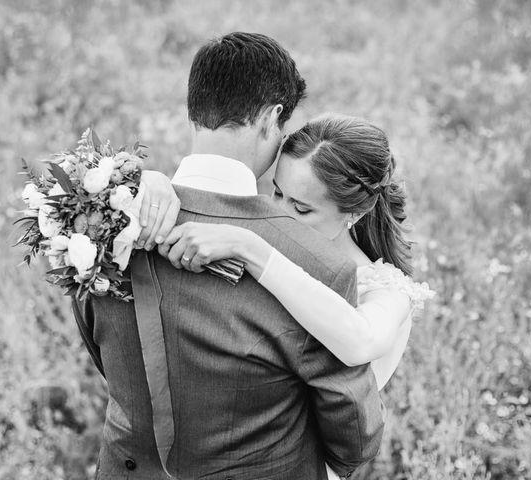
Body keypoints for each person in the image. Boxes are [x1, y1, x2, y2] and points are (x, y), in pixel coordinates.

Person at [73, 32, 385, 480]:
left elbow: (104, 352)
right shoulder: (317, 264)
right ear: (272, 118)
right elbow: (353, 440)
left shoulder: (100, 221)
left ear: (195, 108)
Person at [142, 114, 434, 392]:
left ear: (355, 213)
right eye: (277, 194)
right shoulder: (256, 237)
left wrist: (251, 249)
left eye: (301, 208)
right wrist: (152, 185)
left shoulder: (386, 289)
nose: (279, 216)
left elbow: (361, 342)